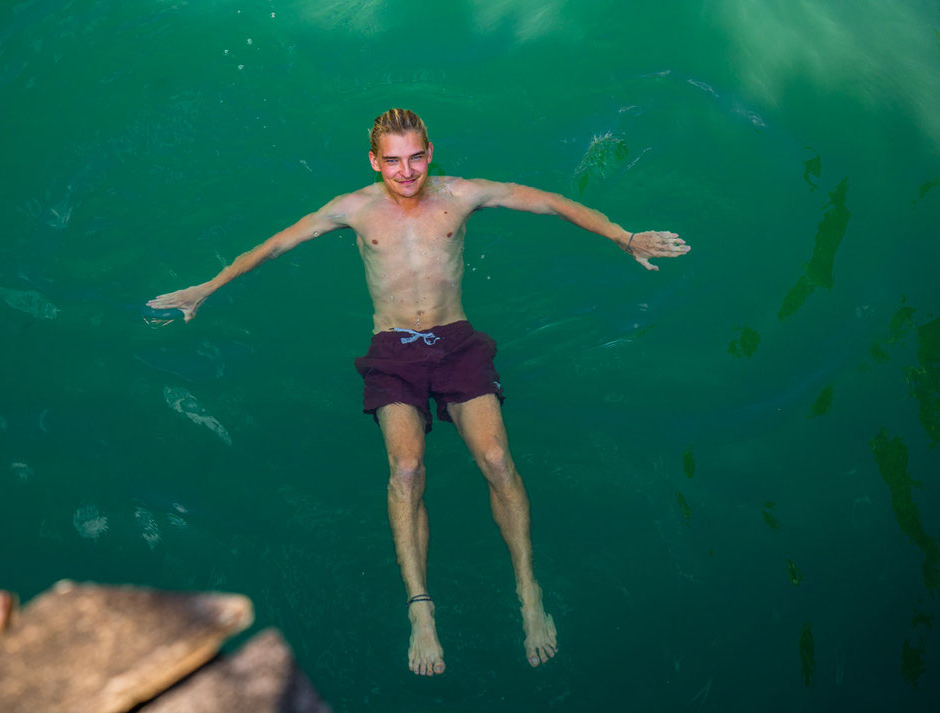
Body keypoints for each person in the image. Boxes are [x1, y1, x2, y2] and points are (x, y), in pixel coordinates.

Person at [147, 108, 690, 676]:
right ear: (375, 161)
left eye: (415, 158)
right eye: (392, 161)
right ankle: (421, 610)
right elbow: (277, 244)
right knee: (406, 469)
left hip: (456, 342)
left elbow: (552, 201)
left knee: (498, 459)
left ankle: (528, 591)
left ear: (430, 152)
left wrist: (625, 237)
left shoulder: (463, 195)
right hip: (393, 350)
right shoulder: (353, 209)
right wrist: (209, 288)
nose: (405, 172)